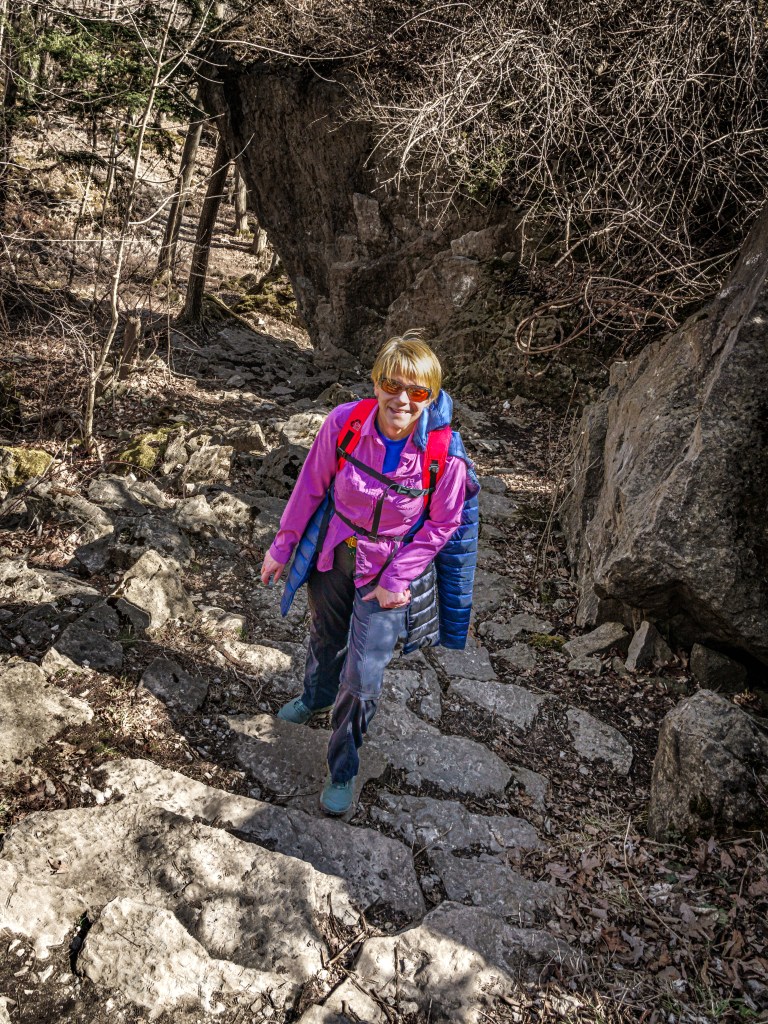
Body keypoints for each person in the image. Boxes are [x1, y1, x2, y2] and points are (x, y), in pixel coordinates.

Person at [260, 332, 476, 815]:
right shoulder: (346, 423)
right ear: (376, 384)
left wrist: (400, 576)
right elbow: (310, 487)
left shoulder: (444, 455)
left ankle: (343, 767)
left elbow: (443, 524)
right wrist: (283, 544)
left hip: (388, 574)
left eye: (417, 391)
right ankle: (315, 697)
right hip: (334, 553)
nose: (402, 399)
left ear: (432, 395)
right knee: (323, 636)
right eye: (392, 385)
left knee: (362, 680)